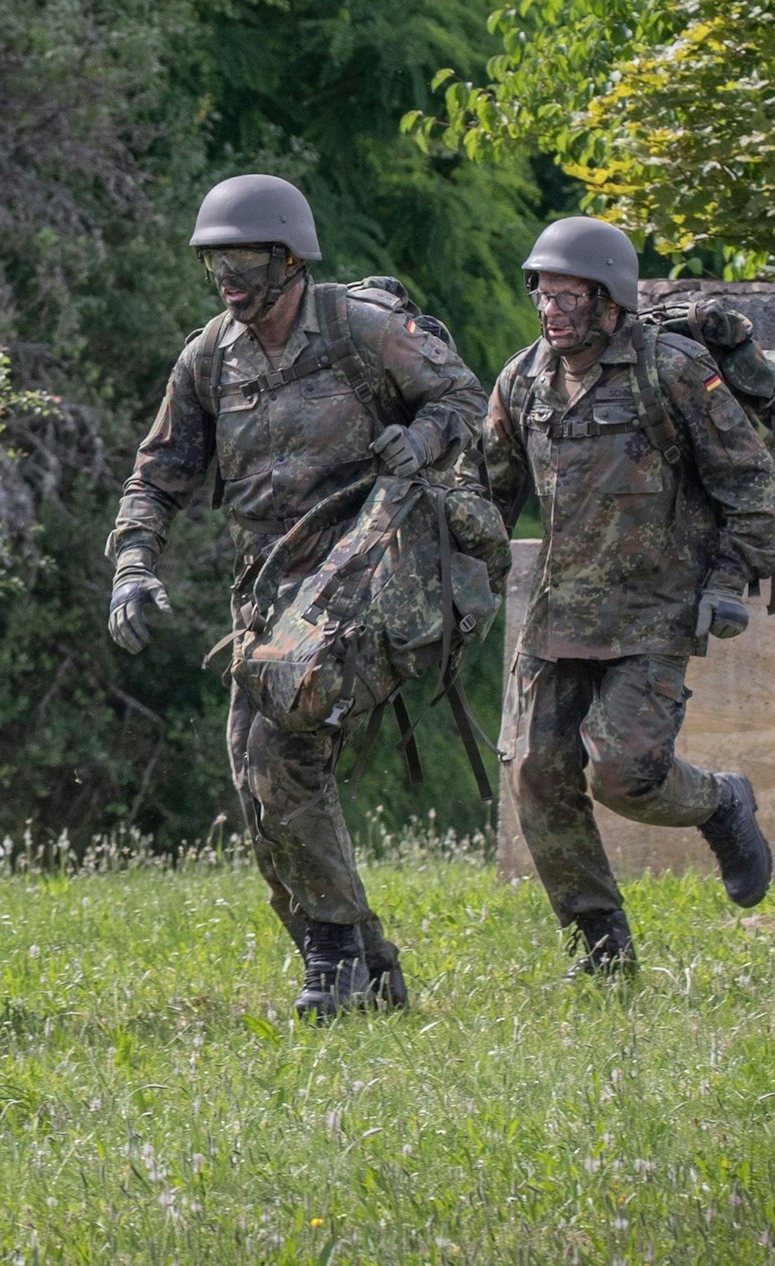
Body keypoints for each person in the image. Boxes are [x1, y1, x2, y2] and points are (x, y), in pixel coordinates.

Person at [105, 174, 489, 1019]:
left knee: (283, 755)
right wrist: (133, 565)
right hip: (266, 599)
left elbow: (464, 397)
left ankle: (333, 964)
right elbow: (156, 476)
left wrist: (419, 438)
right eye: (216, 264)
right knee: (255, 783)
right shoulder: (211, 355)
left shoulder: (364, 330)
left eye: (241, 260)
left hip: (371, 580)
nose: (227, 280)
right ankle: (368, 967)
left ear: (287, 258)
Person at [483, 216, 775, 979]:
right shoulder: (521, 381)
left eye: (567, 295)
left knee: (625, 774)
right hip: (557, 618)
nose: (550, 309)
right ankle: (601, 950)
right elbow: (486, 492)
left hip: (655, 611)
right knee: (535, 775)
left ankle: (720, 802)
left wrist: (727, 579)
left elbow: (747, 479)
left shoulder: (673, 369)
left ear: (608, 298)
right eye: (541, 294)